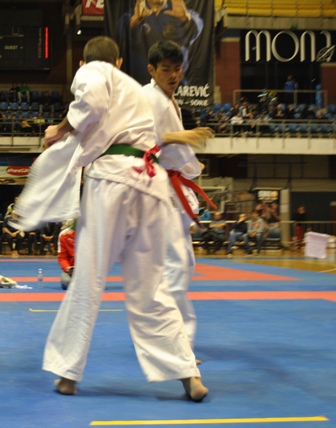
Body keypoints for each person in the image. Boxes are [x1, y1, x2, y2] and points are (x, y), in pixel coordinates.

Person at [13, 36, 206, 400]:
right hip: (151, 183)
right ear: (119, 61)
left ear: (85, 63)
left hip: (113, 179)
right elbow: (166, 149)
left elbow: (91, 103)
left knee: (88, 278)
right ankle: (188, 374)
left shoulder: (94, 71)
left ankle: (68, 374)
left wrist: (59, 129)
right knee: (151, 287)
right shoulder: (137, 91)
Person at [142, 40, 215, 352]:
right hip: (160, 187)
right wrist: (180, 137)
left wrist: (188, 160)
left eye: (177, 69)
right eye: (166, 69)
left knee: (181, 265)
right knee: (176, 266)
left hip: (173, 186)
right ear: (152, 70)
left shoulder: (168, 101)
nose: (173, 75)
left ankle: (176, 340)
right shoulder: (149, 98)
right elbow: (144, 139)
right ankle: (175, 344)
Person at [57, 219, 76, 290]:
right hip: (71, 269)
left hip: (87, 270)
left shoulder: (91, 235)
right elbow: (62, 257)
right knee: (66, 282)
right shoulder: (63, 235)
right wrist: (67, 268)